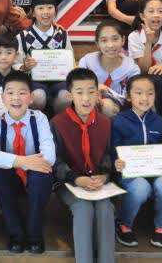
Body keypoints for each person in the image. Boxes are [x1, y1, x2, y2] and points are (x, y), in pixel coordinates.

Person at [0, 71, 55, 254]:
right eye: (10, 92)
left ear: (31, 98)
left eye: (22, 93)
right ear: (2, 97)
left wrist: (10, 161)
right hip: (11, 179)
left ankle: (34, 235)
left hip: (34, 178)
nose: (16, 98)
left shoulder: (39, 118)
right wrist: (23, 161)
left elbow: (49, 156)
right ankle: (16, 234)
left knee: (43, 173)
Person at [51, 67, 115, 263]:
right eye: (79, 92)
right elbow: (55, 160)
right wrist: (76, 178)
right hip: (69, 183)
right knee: (83, 207)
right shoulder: (57, 123)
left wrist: (104, 175)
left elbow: (108, 155)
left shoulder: (105, 122)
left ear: (98, 94)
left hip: (98, 183)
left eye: (91, 92)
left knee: (105, 207)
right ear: (70, 95)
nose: (86, 98)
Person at [111, 74, 162, 248]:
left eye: (150, 93)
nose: (144, 98)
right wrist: (116, 162)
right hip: (129, 174)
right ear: (129, 96)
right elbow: (112, 149)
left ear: (155, 95)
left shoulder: (160, 122)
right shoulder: (119, 121)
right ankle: (124, 223)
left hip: (156, 172)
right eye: (138, 93)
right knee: (141, 187)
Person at [16, 0, 72, 112]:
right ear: (33, 13)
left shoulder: (62, 34)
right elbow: (16, 64)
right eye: (40, 8)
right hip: (34, 80)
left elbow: (70, 60)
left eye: (50, 7)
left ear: (55, 11)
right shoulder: (23, 36)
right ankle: (36, 119)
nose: (46, 12)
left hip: (59, 80)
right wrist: (24, 67)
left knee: (66, 97)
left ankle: (57, 119)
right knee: (38, 97)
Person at [78, 19, 140, 117]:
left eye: (115, 39)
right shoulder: (87, 62)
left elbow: (127, 99)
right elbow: (78, 87)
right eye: (104, 40)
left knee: (107, 106)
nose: (110, 45)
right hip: (86, 103)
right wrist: (93, 90)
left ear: (123, 40)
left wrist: (105, 90)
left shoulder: (132, 69)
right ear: (97, 43)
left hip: (118, 111)